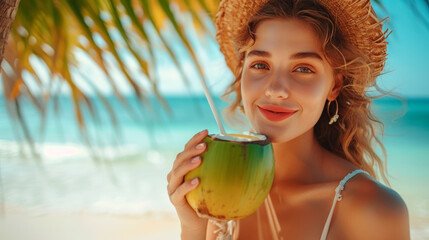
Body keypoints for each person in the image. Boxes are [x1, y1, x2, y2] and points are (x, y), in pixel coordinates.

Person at [166, 0, 410, 239]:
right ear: (242, 73)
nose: (275, 89)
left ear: (334, 86)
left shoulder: (374, 210)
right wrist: (193, 229)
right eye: (260, 65)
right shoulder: (220, 190)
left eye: (303, 68)